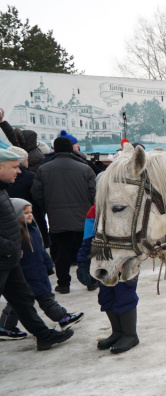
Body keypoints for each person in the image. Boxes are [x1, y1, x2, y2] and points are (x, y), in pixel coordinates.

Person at [0, 148, 74, 348]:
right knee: (21, 301)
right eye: (14, 167)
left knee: (23, 300)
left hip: (10, 258)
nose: (19, 171)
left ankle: (44, 335)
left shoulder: (3, 189)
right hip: (5, 256)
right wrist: (8, 246)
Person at [0, 198, 84, 331]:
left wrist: (48, 264)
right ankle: (62, 318)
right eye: (25, 212)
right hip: (28, 274)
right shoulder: (18, 234)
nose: (29, 215)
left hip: (38, 271)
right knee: (45, 298)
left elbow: (40, 249)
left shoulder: (32, 228)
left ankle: (5, 326)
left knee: (18, 303)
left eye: (30, 212)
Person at [31, 136, 96, 294]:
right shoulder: (85, 168)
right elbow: (94, 193)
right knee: (86, 249)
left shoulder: (43, 169)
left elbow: (36, 193)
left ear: (55, 149)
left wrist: (48, 206)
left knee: (61, 253)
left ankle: (64, 284)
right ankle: (90, 280)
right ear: (70, 149)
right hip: (83, 217)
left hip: (57, 218)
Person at [76, 205, 141, 353]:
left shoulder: (126, 207)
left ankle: (130, 334)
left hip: (124, 259)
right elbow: (87, 238)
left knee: (124, 295)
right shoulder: (94, 211)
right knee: (106, 296)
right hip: (102, 260)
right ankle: (117, 332)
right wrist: (82, 262)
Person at [0, 107, 45, 172]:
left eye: (19, 139)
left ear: (24, 140)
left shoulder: (33, 157)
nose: (16, 140)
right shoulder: (27, 148)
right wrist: (2, 122)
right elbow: (11, 135)